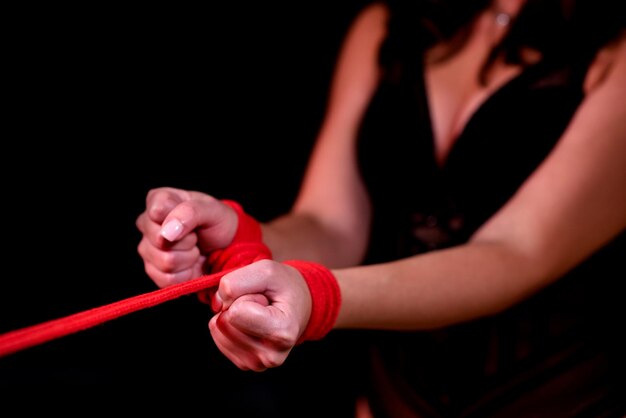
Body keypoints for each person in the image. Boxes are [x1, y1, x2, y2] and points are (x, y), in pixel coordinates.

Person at [136, 0, 626, 416]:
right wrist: (241, 240)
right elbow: (332, 223)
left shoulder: (617, 53)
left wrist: (317, 297)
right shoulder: (389, 25)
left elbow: (517, 252)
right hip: (390, 399)